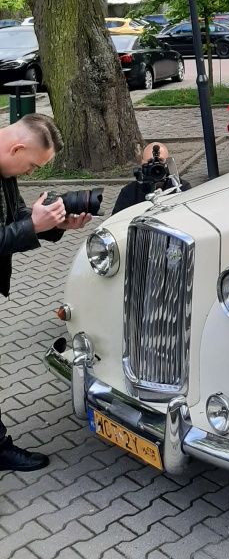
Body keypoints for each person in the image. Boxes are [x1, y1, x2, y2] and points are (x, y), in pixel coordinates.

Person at [0, 113, 90, 472]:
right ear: (17, 147)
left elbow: (16, 217)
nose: (32, 174)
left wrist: (54, 226)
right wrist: (32, 224)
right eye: (33, 165)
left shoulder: (4, 168)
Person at [111, 142, 190, 216]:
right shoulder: (129, 192)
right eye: (149, 162)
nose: (156, 167)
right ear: (142, 164)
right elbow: (116, 221)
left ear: (168, 164)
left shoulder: (182, 188)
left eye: (161, 161)